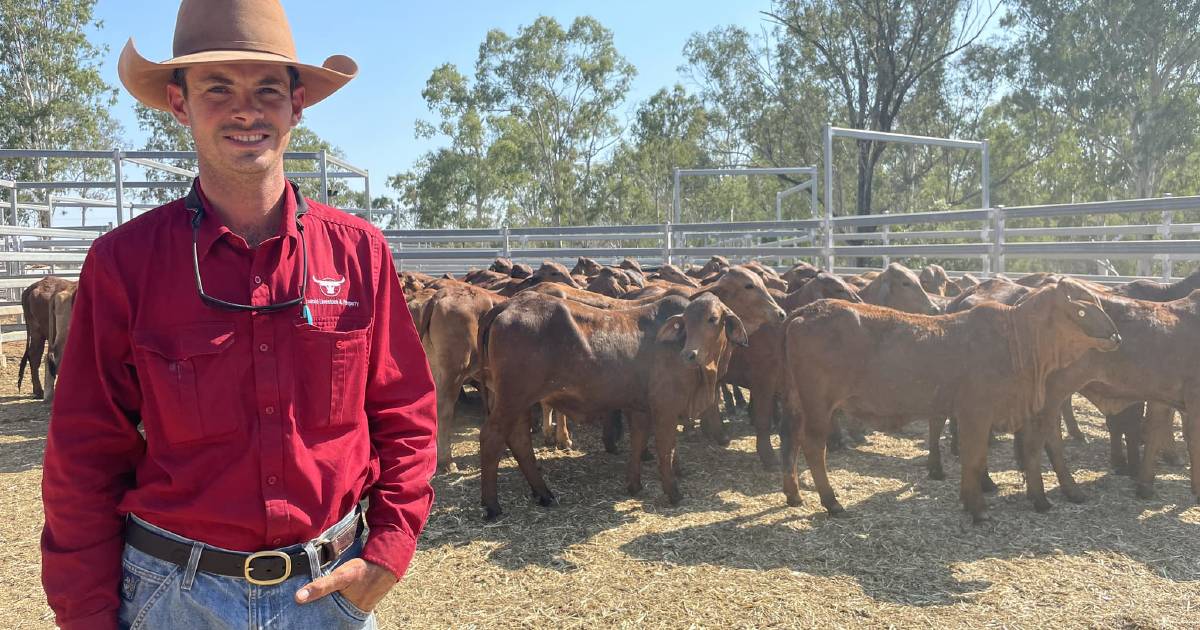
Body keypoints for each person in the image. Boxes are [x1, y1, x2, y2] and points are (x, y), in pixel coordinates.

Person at [39, 1, 437, 628]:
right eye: (217, 88)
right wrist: (85, 614)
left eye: (267, 90)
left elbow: (405, 413)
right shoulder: (125, 264)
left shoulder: (359, 253)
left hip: (328, 589)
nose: (246, 110)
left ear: (296, 106)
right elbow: (83, 454)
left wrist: (387, 551)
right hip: (174, 594)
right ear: (180, 103)